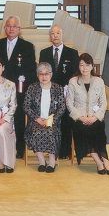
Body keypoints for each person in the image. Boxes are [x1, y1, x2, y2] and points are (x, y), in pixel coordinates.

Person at [0, 15, 37, 158]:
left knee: (18, 118)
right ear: (5, 28)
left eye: (14, 26)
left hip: (19, 89)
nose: (11, 29)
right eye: (8, 26)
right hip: (2, 88)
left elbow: (31, 70)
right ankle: (2, 146)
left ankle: (20, 148)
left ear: (19, 29)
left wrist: (25, 86)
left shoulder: (27, 46)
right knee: (1, 117)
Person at [39, 24, 80, 159]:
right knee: (51, 119)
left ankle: (65, 150)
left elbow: (75, 73)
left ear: (62, 35)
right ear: (49, 36)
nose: (55, 36)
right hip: (49, 91)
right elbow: (42, 73)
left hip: (67, 92)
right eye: (52, 33)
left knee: (66, 120)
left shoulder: (72, 53)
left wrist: (68, 89)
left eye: (58, 33)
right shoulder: (44, 53)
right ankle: (50, 148)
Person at [68, 52, 109, 175]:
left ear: (92, 66)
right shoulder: (73, 82)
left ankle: (106, 161)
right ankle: (99, 162)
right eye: (82, 65)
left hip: (95, 118)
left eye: (87, 65)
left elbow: (103, 103)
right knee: (85, 132)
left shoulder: (99, 81)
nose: (84, 68)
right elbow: (69, 104)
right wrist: (81, 118)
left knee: (98, 131)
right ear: (78, 66)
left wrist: (94, 117)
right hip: (79, 119)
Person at [23, 62, 67, 173]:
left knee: (50, 132)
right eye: (41, 74)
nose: (44, 77)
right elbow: (26, 105)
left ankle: (52, 162)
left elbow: (62, 107)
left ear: (51, 74)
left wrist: (52, 120)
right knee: (36, 132)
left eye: (46, 74)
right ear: (37, 75)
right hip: (36, 121)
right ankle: (42, 162)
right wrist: (37, 118)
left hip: (52, 122)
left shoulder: (58, 88)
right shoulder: (32, 88)